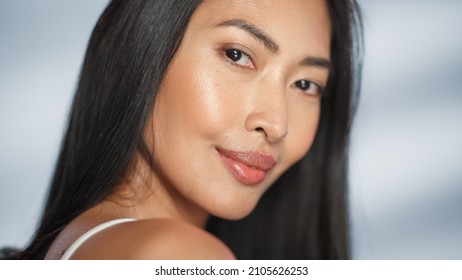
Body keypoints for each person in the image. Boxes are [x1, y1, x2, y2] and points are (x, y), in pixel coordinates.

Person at [5, 0, 362, 259]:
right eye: (237, 55)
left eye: (305, 84)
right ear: (137, 50)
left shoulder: (78, 248)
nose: (276, 124)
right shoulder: (176, 256)